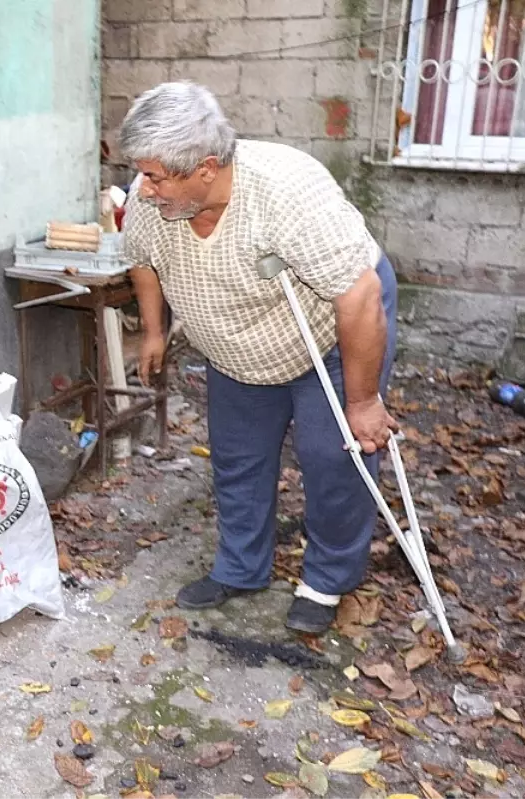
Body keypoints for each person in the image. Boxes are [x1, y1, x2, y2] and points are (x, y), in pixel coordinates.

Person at [118, 81, 399, 634]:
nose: (143, 189)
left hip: (329, 333)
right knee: (238, 457)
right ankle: (243, 568)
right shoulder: (153, 199)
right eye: (142, 173)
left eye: (154, 176)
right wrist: (154, 330)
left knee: (334, 455)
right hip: (237, 346)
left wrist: (363, 401)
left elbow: (358, 297)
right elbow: (142, 260)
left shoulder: (286, 193)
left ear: (205, 167)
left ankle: (327, 579)